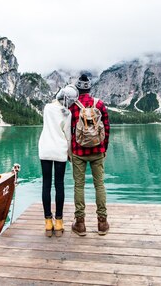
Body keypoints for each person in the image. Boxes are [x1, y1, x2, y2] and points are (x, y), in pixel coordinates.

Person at [69, 74, 110, 236]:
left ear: (78, 89)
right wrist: (103, 148)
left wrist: (69, 151)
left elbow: (68, 130)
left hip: (78, 151)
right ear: (90, 88)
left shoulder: (73, 106)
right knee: (99, 185)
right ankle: (102, 223)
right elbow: (107, 129)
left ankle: (80, 224)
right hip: (97, 151)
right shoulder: (99, 104)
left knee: (79, 186)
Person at [38, 84, 78, 237]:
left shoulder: (47, 108)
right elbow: (67, 135)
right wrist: (70, 153)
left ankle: (48, 222)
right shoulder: (67, 113)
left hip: (45, 149)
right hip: (60, 150)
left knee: (46, 184)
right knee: (59, 184)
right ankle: (59, 221)